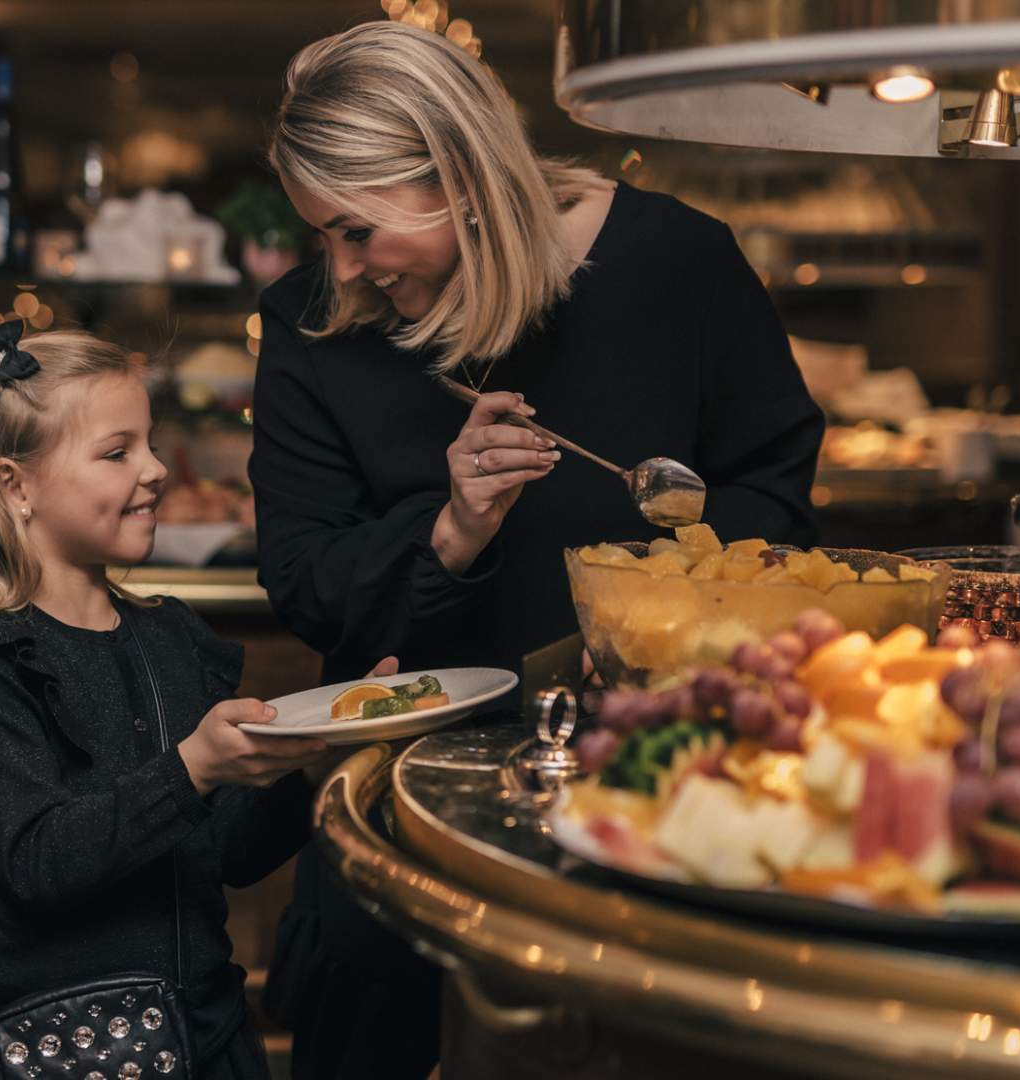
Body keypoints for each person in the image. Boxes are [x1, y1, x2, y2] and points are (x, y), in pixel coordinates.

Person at [251, 21, 824, 1080]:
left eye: (357, 231)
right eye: (323, 235)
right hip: (403, 833)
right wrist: (452, 531)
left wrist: (663, 615)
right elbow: (305, 585)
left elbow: (775, 502)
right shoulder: (312, 323)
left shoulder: (677, 262)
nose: (343, 270)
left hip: (663, 802)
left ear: (460, 177)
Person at [0, 323, 385, 1079]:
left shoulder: (171, 635)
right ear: (15, 485)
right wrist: (194, 767)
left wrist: (320, 757)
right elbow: (38, 861)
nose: (157, 469)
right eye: (117, 453)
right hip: (60, 1056)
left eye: (150, 444)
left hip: (206, 1043)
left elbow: (230, 852)